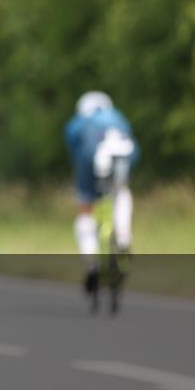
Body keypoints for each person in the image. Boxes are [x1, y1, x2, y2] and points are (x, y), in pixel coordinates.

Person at [64, 91, 138, 296]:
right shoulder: (118, 118)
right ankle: (123, 236)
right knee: (121, 192)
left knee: (85, 207)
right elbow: (135, 148)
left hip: (91, 158)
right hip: (123, 155)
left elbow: (74, 149)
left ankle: (91, 263)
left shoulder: (79, 122)